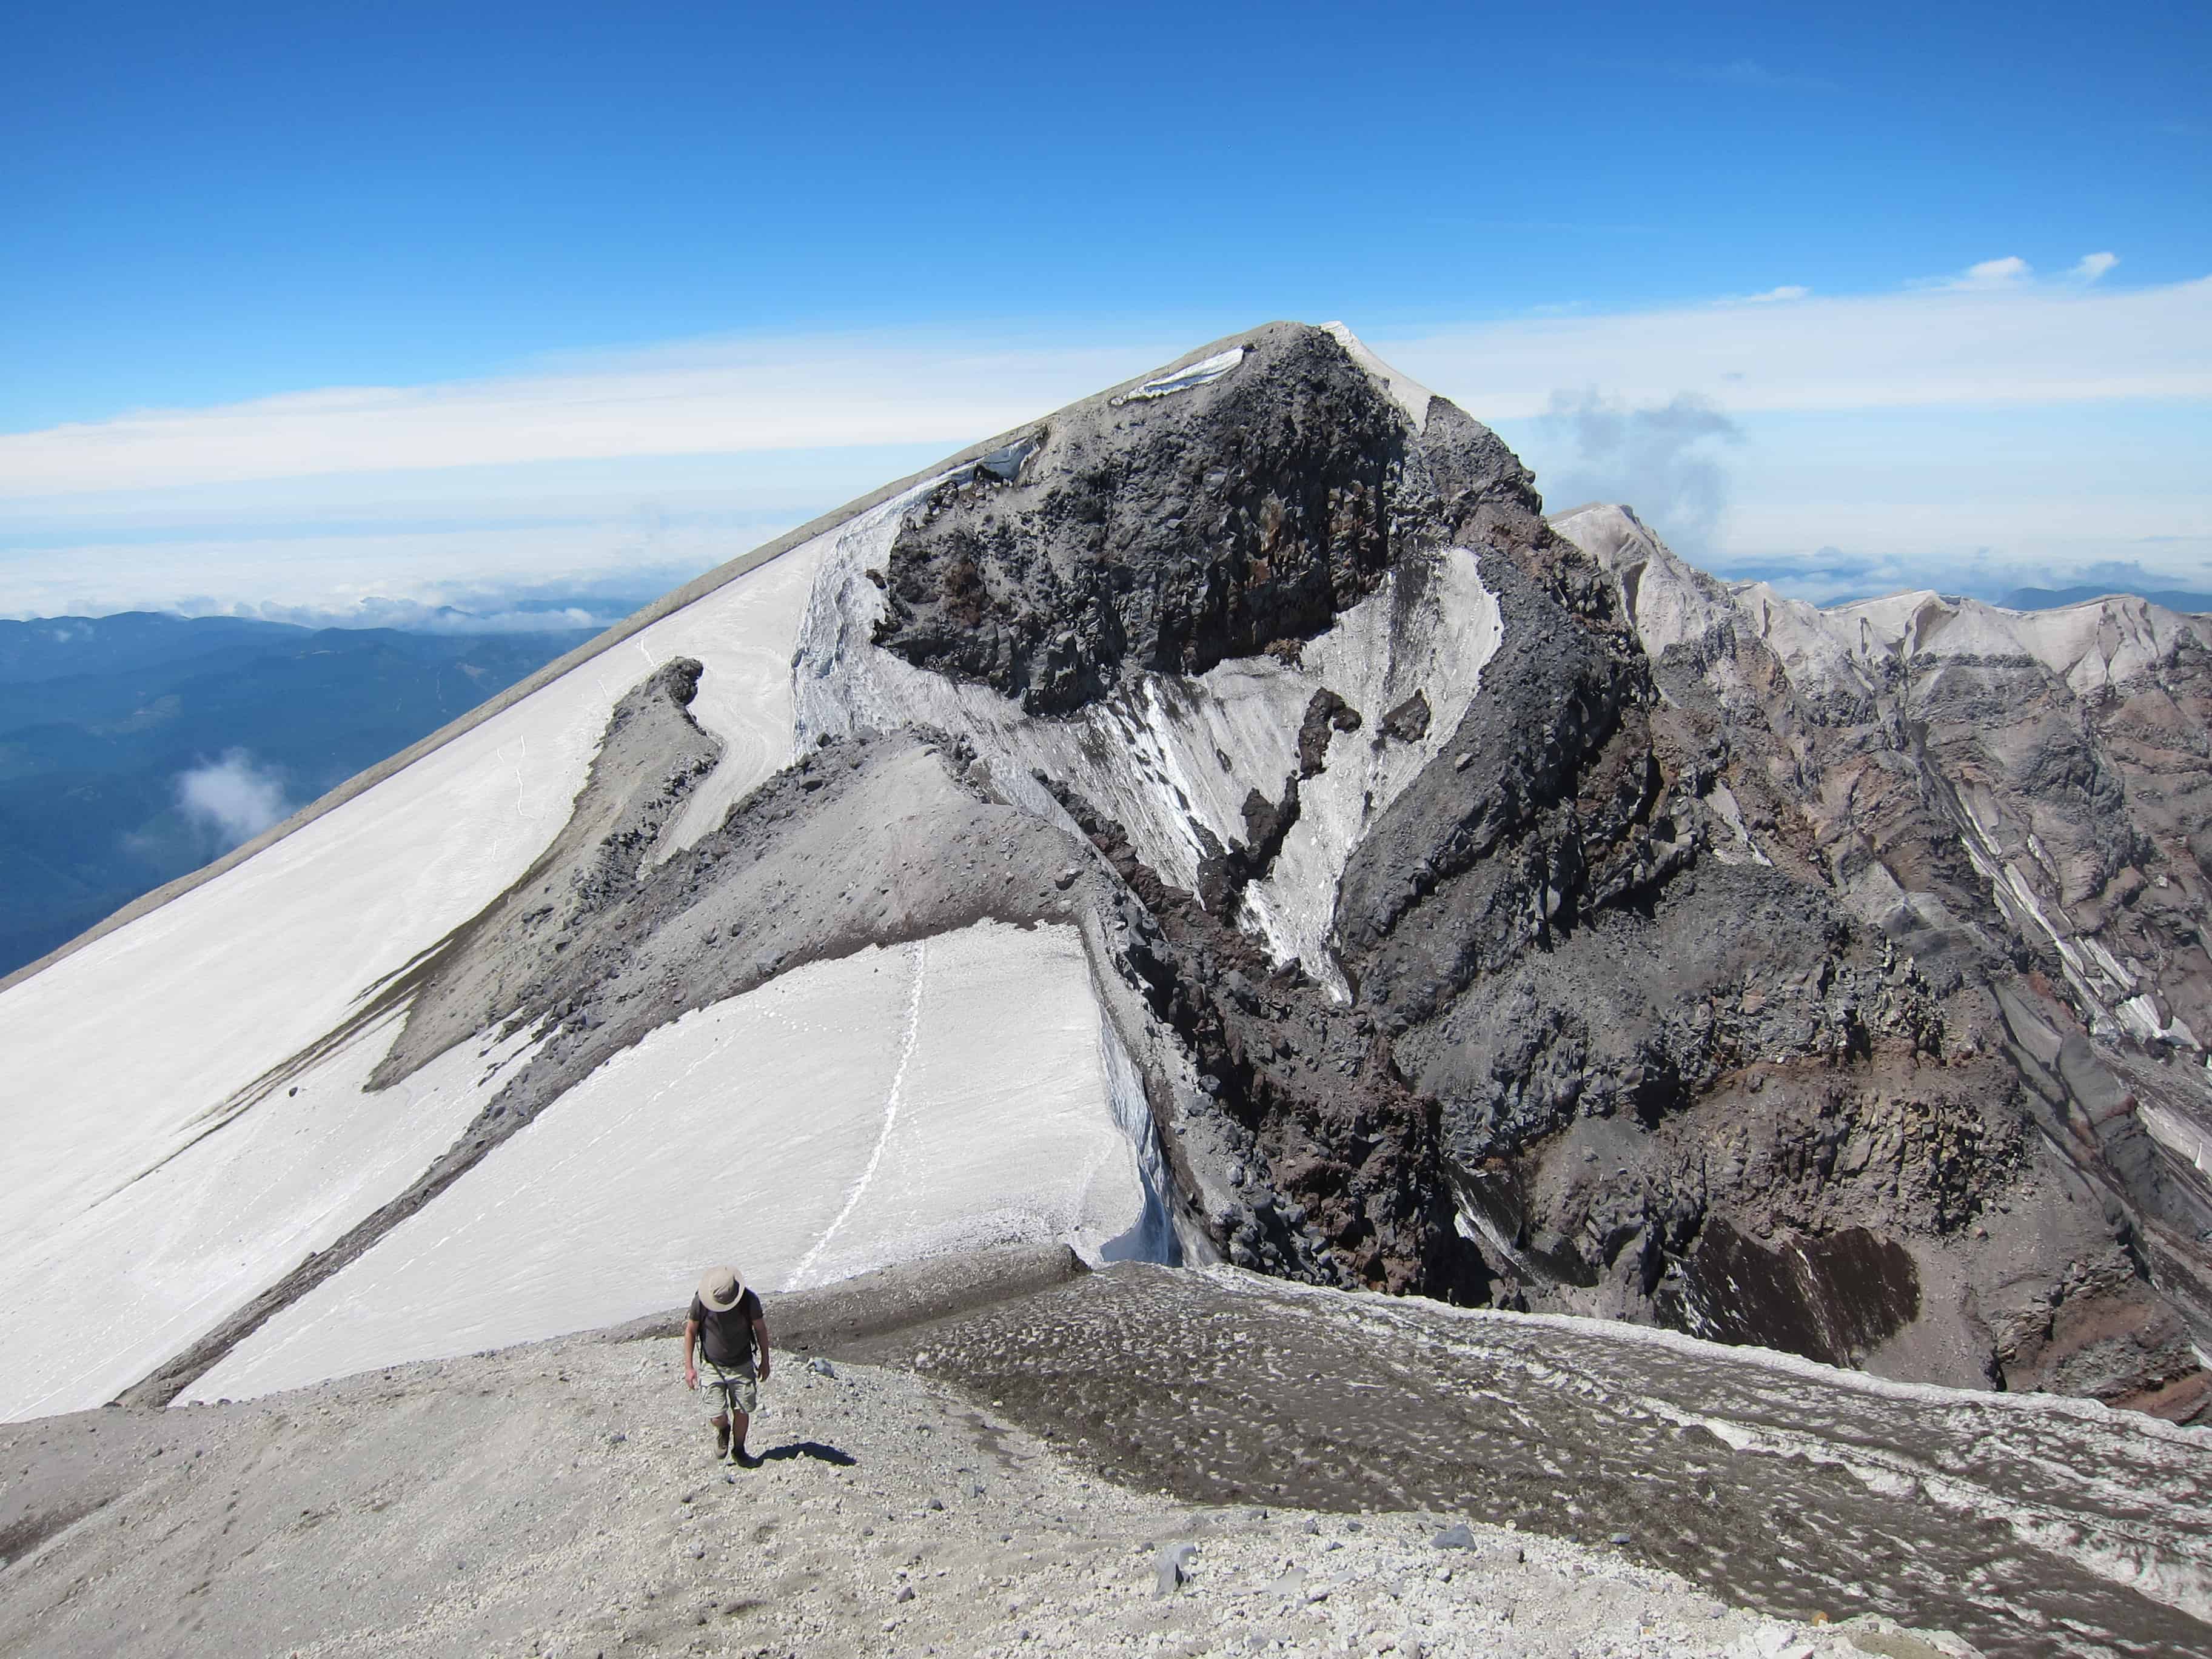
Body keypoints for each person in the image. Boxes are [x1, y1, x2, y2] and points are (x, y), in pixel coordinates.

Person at [683, 1264, 771, 1464]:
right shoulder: (700, 1303)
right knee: (715, 1413)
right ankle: (723, 1429)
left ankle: (739, 1450)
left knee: (743, 1409)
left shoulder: (749, 1301)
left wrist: (765, 1360)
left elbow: (761, 1330)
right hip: (712, 1365)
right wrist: (689, 1367)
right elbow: (690, 1331)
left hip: (742, 1364)